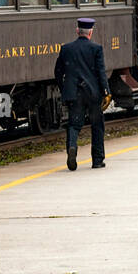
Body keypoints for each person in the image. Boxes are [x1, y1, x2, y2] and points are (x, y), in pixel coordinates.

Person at [54, 17, 110, 170]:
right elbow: (101, 72)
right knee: (97, 125)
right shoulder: (96, 48)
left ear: (77, 31)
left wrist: (63, 87)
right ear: (90, 32)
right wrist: (106, 91)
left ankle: (72, 148)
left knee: (73, 125)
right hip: (93, 94)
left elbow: (58, 71)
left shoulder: (66, 49)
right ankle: (97, 161)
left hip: (74, 93)